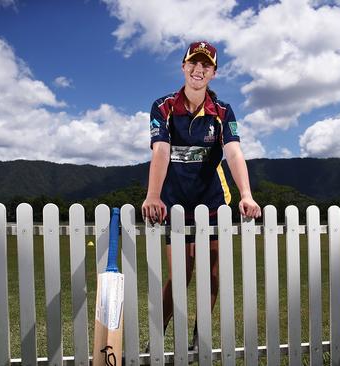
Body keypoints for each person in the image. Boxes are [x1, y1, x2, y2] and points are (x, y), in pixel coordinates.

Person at [141, 40, 261, 350]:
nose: (199, 68)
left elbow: (233, 153)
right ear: (183, 66)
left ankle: (198, 338)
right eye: (193, 62)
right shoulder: (163, 106)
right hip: (174, 202)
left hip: (212, 201)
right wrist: (153, 195)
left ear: (214, 73)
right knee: (181, 274)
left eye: (206, 65)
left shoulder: (222, 110)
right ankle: (157, 338)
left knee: (212, 272)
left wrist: (245, 194)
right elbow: (162, 152)